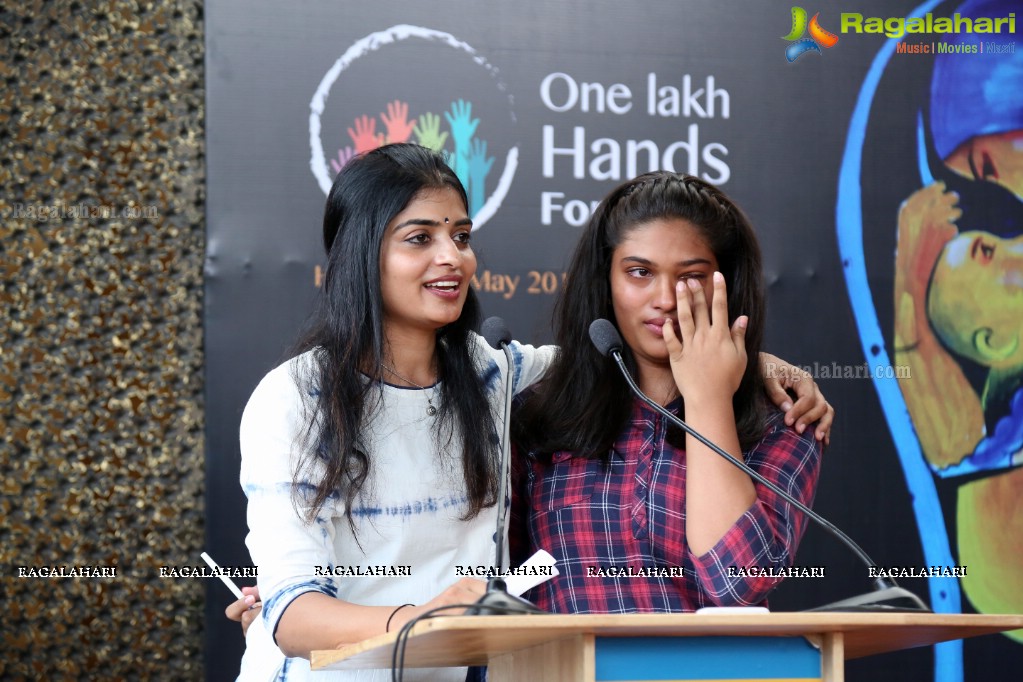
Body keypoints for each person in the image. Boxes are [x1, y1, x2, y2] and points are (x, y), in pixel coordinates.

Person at [229, 144, 833, 677]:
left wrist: (742, 369)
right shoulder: (301, 399)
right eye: (421, 238)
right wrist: (401, 617)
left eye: (461, 237)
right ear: (361, 253)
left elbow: (731, 585)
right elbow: (292, 612)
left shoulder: (495, 378)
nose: (453, 258)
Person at [511, 171, 823, 613]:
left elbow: (739, 583)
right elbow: (504, 582)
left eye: (690, 277)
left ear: (727, 285)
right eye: (640, 273)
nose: (664, 298)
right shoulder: (537, 411)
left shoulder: (782, 416)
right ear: (607, 281)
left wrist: (708, 398)